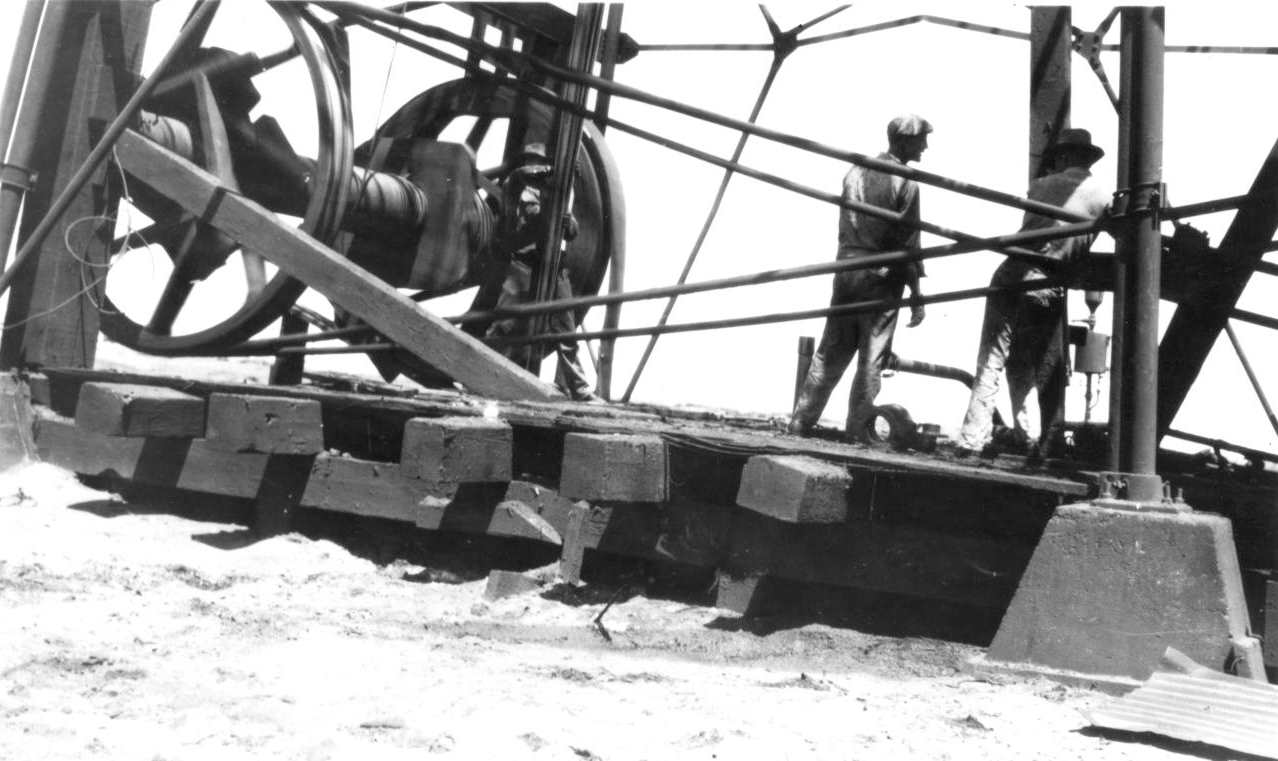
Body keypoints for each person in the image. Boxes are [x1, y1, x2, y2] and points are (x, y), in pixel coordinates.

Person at [956, 128, 1111, 457]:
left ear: (1064, 157)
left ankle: (972, 439)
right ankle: (1030, 438)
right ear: (1089, 160)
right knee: (1022, 362)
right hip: (1049, 285)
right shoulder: (1104, 197)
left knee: (992, 360)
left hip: (1013, 273)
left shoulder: (1040, 185)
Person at [788, 115, 931, 440]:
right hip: (880, 277)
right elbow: (908, 243)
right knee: (872, 357)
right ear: (906, 140)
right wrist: (916, 294)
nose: (925, 146)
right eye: (922, 139)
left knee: (831, 351)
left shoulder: (855, 171)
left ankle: (800, 421)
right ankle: (858, 429)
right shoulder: (906, 181)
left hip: (846, 269)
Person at [485, 143, 600, 402]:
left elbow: (571, 231)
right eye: (531, 161)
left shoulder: (554, 196)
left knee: (565, 330)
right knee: (505, 326)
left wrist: (567, 221)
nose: (534, 165)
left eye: (538, 160)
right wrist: (557, 173)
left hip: (554, 269)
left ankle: (578, 388)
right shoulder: (516, 188)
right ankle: (482, 370)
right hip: (524, 268)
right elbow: (530, 220)